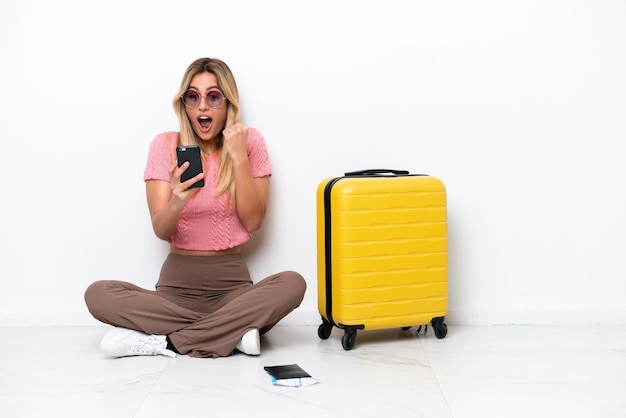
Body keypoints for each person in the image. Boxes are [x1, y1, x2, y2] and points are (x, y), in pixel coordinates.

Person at [84, 57, 306, 358]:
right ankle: (234, 333)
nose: (202, 106)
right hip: (175, 291)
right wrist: (178, 200)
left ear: (228, 103)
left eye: (213, 97)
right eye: (193, 96)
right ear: (184, 104)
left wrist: (238, 157)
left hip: (234, 291)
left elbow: (253, 221)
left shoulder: (250, 142)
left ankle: (165, 341)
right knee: (97, 294)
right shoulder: (165, 145)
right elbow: (161, 229)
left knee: (293, 283)